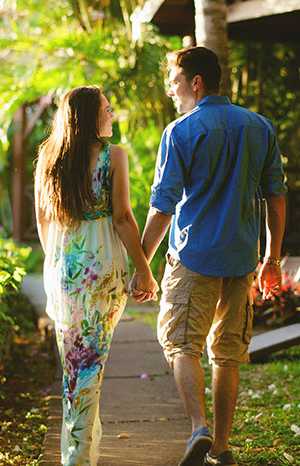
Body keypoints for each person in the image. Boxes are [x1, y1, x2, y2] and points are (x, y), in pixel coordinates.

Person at [131, 47, 286, 466]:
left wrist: (142, 264)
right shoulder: (260, 127)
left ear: (196, 82)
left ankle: (198, 427)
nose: (172, 90)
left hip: (194, 255)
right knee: (227, 353)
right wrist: (271, 259)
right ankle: (220, 448)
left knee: (182, 345)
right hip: (241, 260)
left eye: (175, 82)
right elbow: (276, 197)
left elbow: (162, 207)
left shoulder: (180, 131)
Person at [35, 85, 159, 466]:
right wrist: (144, 269)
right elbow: (122, 217)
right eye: (107, 109)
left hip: (63, 266)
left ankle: (79, 452)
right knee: (89, 363)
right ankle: (78, 457)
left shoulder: (48, 158)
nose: (112, 115)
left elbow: (42, 219)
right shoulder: (112, 156)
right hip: (100, 267)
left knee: (75, 364)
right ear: (91, 116)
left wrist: (57, 259)